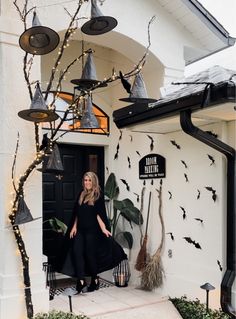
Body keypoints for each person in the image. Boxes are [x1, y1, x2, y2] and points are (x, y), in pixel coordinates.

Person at [59, 171, 127, 293]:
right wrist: (74, 227)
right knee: (76, 252)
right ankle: (81, 281)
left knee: (90, 256)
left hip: (92, 231)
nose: (87, 182)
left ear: (93, 181)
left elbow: (99, 215)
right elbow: (77, 213)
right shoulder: (81, 194)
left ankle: (95, 279)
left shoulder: (97, 195)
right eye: (85, 180)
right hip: (80, 230)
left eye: (89, 180)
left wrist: (104, 229)